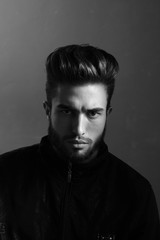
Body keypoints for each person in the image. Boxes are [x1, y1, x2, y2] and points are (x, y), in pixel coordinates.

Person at [0, 44, 159, 240]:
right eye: (67, 111)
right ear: (48, 110)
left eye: (93, 113)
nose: (78, 129)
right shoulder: (4, 177)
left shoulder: (135, 193)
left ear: (107, 114)